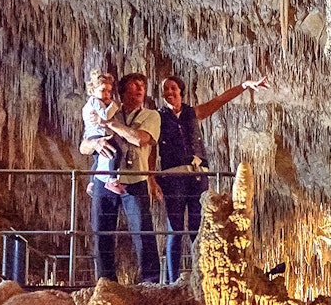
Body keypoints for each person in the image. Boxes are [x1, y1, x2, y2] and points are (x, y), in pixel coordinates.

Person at [152, 74, 269, 283]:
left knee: (198, 226)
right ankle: (172, 280)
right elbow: (151, 148)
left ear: (181, 91)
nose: (169, 93)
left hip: (197, 175)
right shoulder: (157, 117)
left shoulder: (193, 113)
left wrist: (244, 85)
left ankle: (200, 274)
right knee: (175, 228)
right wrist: (151, 177)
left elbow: (220, 100)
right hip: (173, 176)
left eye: (173, 88)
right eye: (165, 90)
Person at [80, 72, 161, 284]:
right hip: (103, 181)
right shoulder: (107, 110)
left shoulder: (151, 116)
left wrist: (110, 124)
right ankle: (106, 281)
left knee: (143, 232)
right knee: (102, 232)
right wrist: (95, 144)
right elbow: (84, 145)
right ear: (123, 92)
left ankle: (151, 281)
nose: (140, 89)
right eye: (134, 86)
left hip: (135, 181)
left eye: (142, 86)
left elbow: (139, 138)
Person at [81, 70, 125, 195]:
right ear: (92, 90)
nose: (106, 94)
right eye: (102, 90)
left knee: (98, 160)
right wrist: (114, 105)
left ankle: (92, 182)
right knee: (116, 153)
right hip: (99, 135)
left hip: (92, 134)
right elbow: (105, 116)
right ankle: (112, 179)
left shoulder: (91, 103)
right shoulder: (96, 101)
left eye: (109, 91)